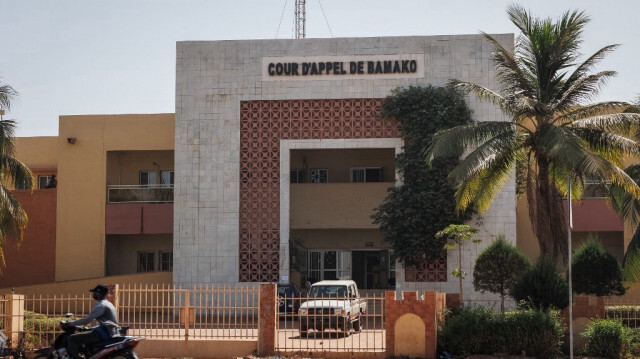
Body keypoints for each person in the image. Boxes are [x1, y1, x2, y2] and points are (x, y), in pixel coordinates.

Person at [62, 285, 119, 359]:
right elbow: (106, 322)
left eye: (94, 292)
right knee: (86, 335)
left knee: (71, 338)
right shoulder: (108, 304)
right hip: (110, 331)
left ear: (99, 293)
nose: (93, 294)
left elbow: (87, 320)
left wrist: (70, 324)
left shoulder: (101, 305)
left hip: (104, 333)